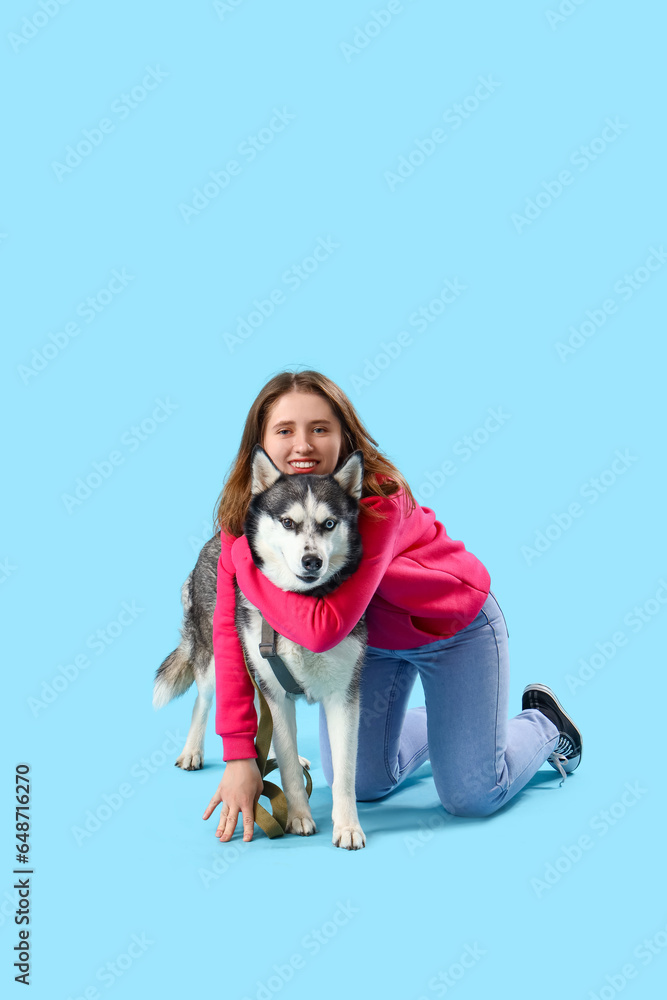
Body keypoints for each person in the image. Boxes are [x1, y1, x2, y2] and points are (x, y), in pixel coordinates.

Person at [202, 369, 583, 843]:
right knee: (365, 784)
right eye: (285, 431)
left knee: (473, 796)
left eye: (320, 428)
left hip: (452, 630)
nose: (302, 445)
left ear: (344, 436)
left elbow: (323, 631)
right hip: (373, 645)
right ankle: (457, 731)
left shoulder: (380, 501)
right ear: (260, 444)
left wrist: (242, 558)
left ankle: (542, 723)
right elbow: (229, 633)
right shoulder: (247, 517)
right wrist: (239, 754)